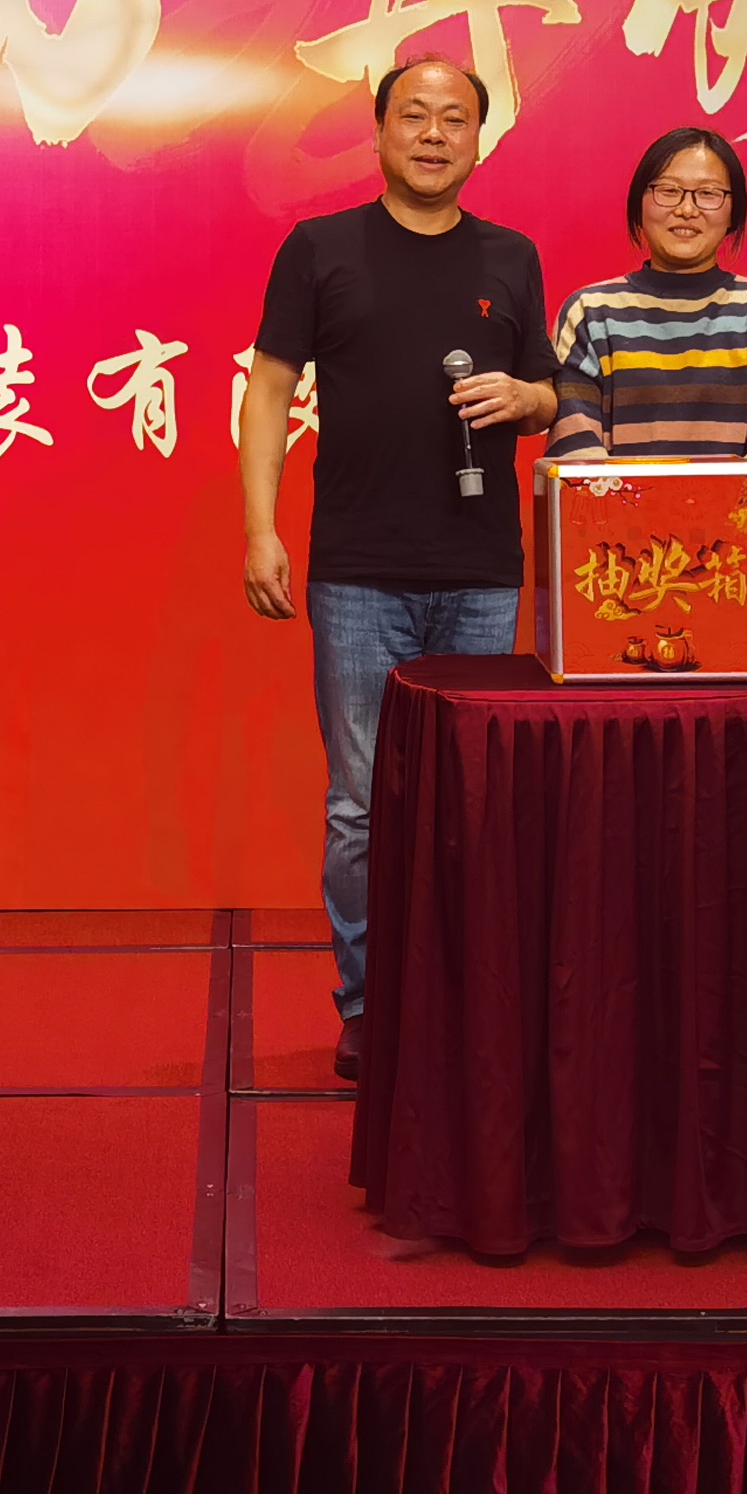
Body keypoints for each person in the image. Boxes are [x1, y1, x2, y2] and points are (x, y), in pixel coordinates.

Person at [242, 57, 558, 1082]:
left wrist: (527, 400)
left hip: (481, 571)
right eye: (413, 116)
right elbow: (269, 389)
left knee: (474, 800)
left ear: (479, 139)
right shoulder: (320, 248)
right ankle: (370, 1005)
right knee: (362, 803)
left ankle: (463, 1004)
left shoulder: (510, 256)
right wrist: (259, 528)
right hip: (359, 571)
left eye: (454, 119)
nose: (433, 134)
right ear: (378, 132)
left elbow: (552, 393)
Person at [547, 125, 747, 596]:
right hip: (620, 571)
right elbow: (577, 448)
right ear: (640, 204)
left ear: (733, 213)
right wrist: (641, 547)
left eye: (708, 194)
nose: (687, 209)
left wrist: (717, 544)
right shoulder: (592, 312)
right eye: (668, 191)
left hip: (736, 570)